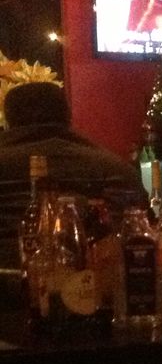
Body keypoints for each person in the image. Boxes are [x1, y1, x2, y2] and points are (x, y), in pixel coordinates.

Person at [0, 81, 145, 268]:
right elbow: (137, 233)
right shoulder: (116, 168)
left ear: (8, 121)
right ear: (67, 116)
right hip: (98, 280)